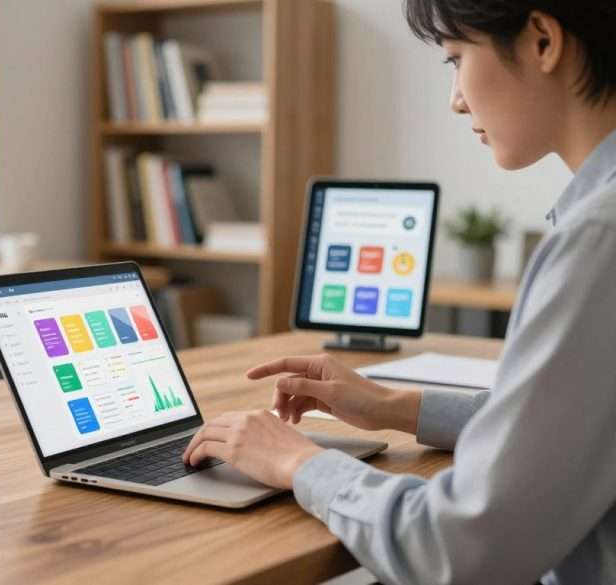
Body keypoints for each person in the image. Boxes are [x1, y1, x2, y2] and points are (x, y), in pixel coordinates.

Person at [182, 1, 616, 583]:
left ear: (542, 40)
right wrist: (393, 407)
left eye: (457, 59)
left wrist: (299, 462)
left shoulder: (598, 240)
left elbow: (460, 550)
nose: (457, 99)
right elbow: (575, 422)